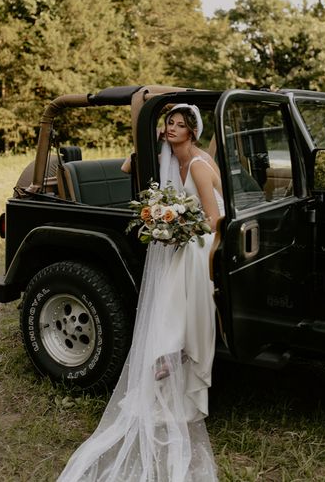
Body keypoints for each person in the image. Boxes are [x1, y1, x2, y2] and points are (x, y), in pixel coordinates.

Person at [57, 104, 224, 482]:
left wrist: (179, 226)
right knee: (167, 276)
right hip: (179, 235)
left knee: (179, 271)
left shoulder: (197, 165)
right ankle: (166, 357)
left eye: (181, 125)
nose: (173, 129)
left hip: (202, 242)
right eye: (169, 123)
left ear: (193, 132)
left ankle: (174, 350)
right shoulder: (166, 156)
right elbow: (127, 169)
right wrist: (151, 138)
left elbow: (213, 220)